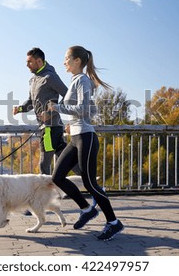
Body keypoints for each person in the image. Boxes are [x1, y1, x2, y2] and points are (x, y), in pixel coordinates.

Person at [46, 45, 124, 241]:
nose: (64, 61)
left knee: (90, 183)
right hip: (76, 136)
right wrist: (71, 123)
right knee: (57, 177)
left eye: (66, 58)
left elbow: (84, 109)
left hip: (86, 138)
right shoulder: (76, 81)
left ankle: (113, 223)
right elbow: (88, 111)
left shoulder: (82, 80)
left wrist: (58, 107)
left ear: (77, 61)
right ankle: (87, 209)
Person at [13, 47, 81, 176]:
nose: (27, 65)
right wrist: (20, 109)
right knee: (64, 158)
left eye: (30, 62)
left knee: (44, 165)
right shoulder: (33, 80)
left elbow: (68, 95)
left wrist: (50, 114)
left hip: (50, 128)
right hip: (49, 128)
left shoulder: (50, 77)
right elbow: (31, 102)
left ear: (39, 61)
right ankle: (90, 180)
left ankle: (51, 194)